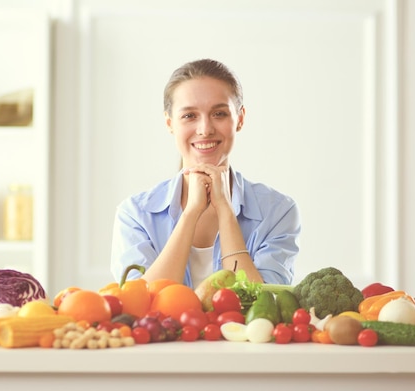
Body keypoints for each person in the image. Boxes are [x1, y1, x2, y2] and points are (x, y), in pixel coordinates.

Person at [110, 58, 300, 288]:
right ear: (170, 123)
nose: (205, 129)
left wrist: (225, 211)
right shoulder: (134, 215)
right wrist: (190, 213)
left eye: (219, 114)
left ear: (239, 118)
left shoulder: (278, 212)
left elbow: (264, 306)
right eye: (189, 116)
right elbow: (141, 304)